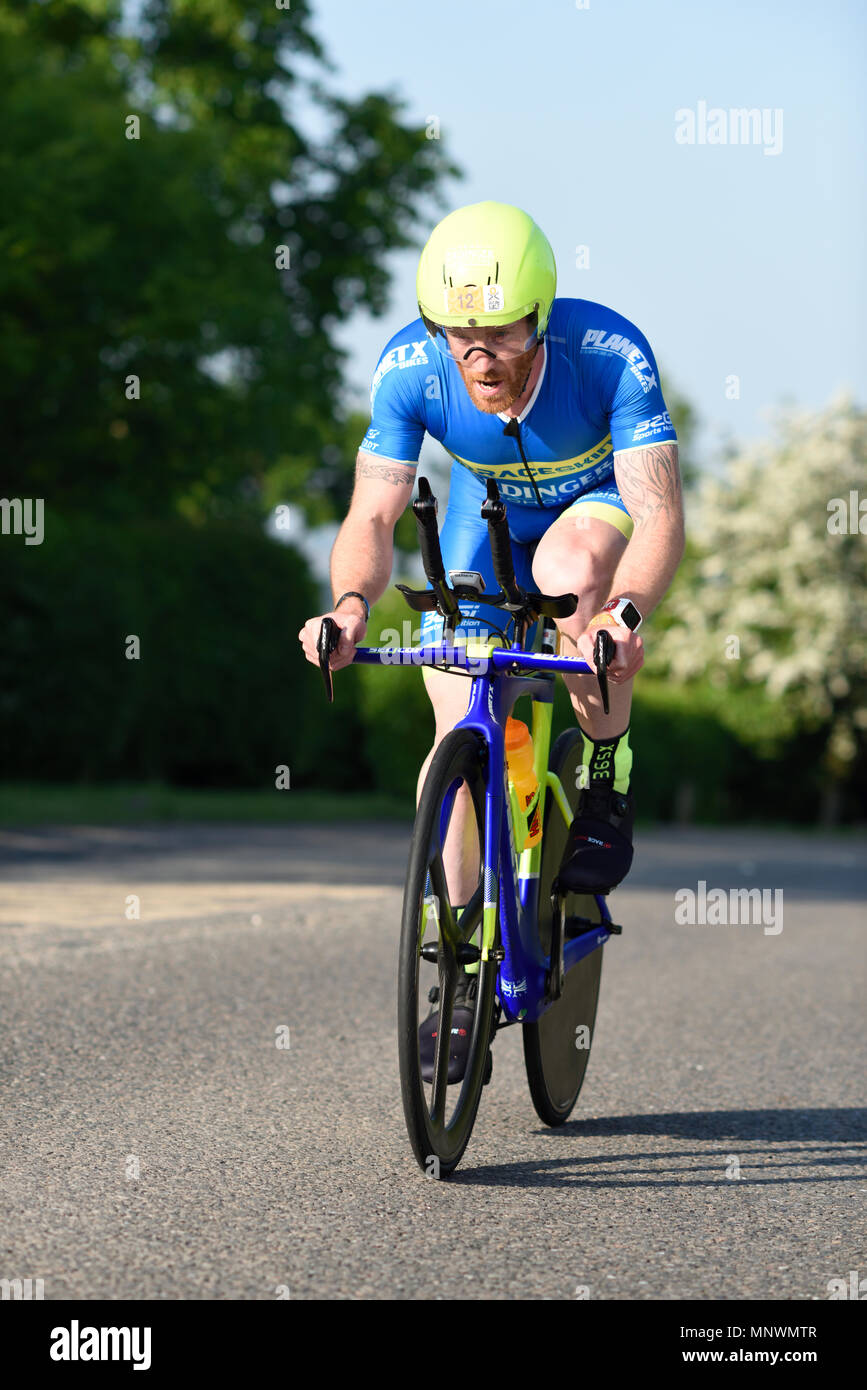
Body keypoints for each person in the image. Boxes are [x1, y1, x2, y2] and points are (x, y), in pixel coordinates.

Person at [299, 201, 684, 1079]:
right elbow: (372, 510)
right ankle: (463, 967)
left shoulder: (607, 355)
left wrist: (624, 617)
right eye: (457, 333)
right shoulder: (408, 366)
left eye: (501, 334)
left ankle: (607, 772)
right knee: (454, 706)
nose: (478, 356)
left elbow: (660, 514)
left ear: (540, 317)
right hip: (490, 521)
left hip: (596, 508)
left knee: (569, 574)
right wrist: (351, 605)